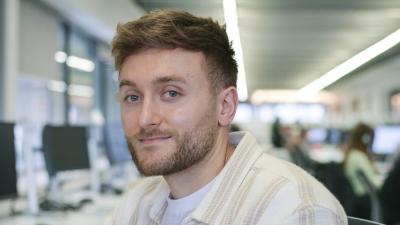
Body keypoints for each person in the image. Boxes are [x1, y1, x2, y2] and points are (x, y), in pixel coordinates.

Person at [104, 10, 347, 225]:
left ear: (225, 106)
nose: (145, 119)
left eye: (171, 93)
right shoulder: (134, 204)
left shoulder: (293, 210)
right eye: (132, 97)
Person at [343, 122, 383, 219]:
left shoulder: (353, 154)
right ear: (366, 139)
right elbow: (376, 183)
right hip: (362, 201)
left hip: (358, 200)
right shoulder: (358, 156)